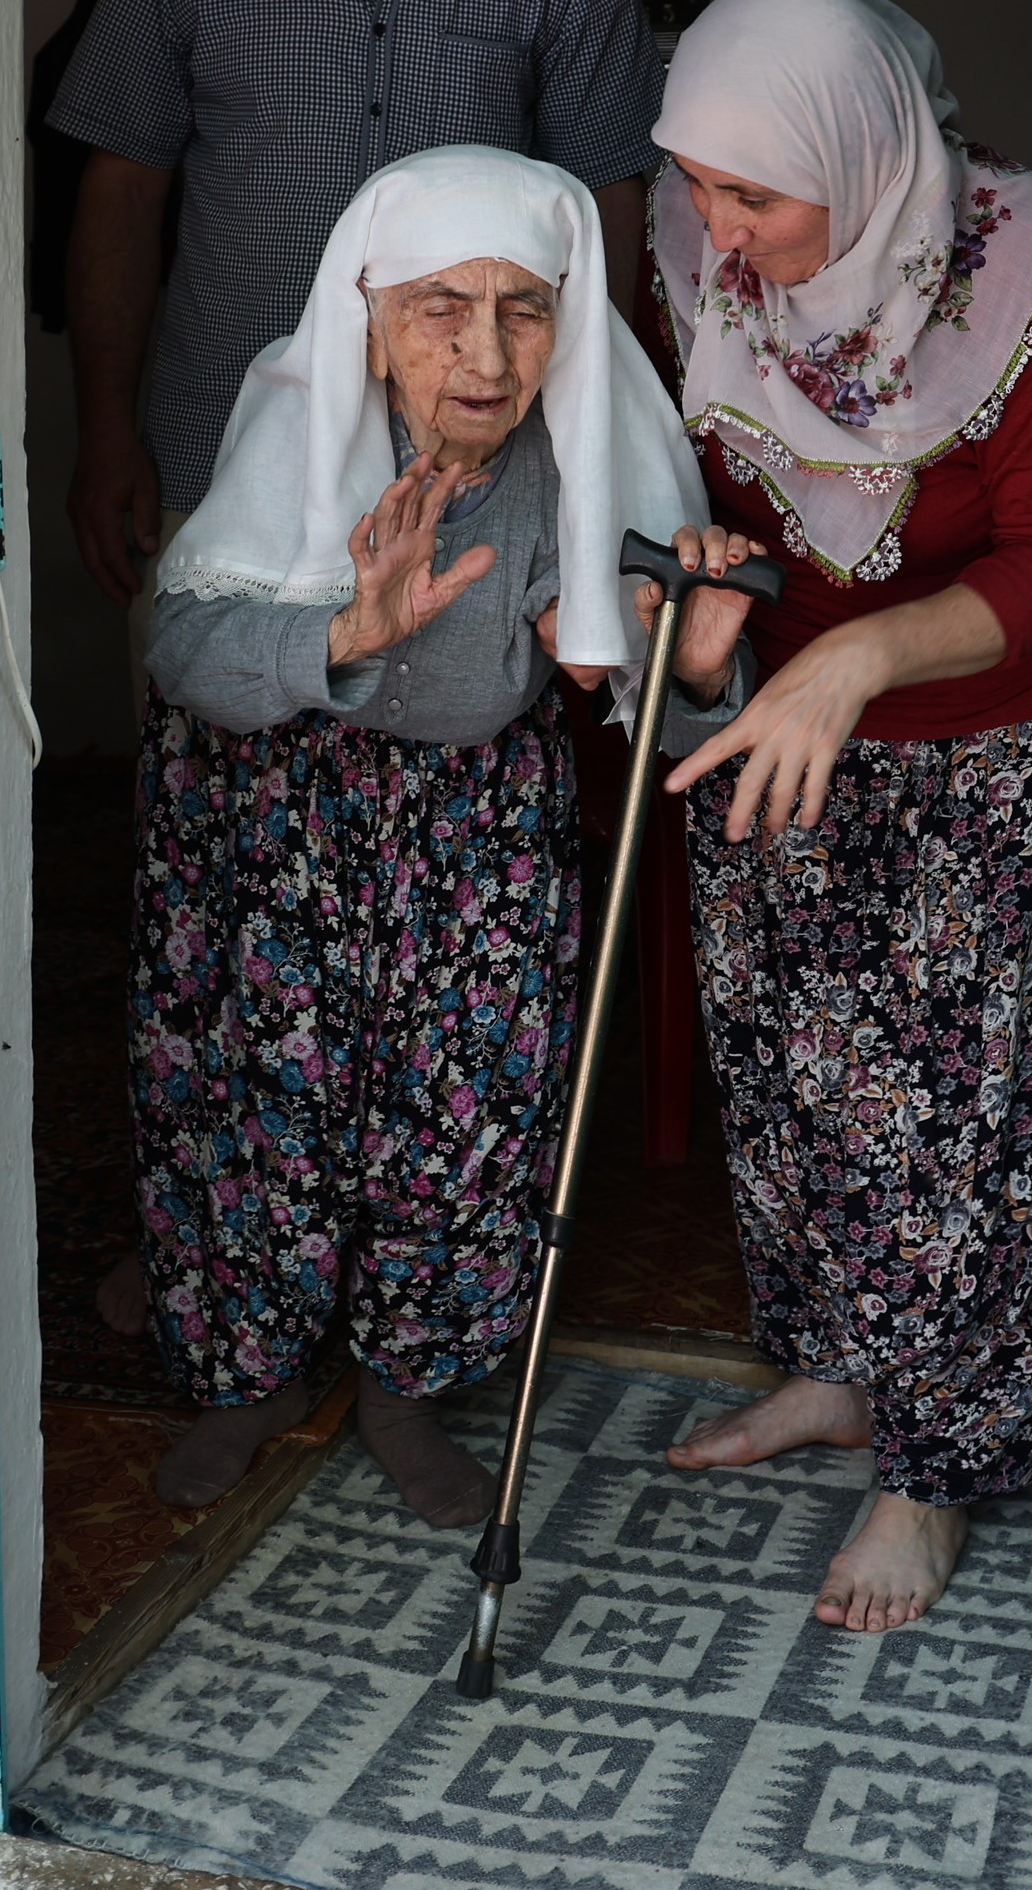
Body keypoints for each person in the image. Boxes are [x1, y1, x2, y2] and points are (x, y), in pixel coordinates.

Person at [47, 0, 662, 1338]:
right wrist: (103, 425)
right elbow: (121, 191)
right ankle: (224, 1268)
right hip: (232, 475)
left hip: (481, 514)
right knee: (234, 931)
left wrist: (626, 489)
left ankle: (416, 1308)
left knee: (454, 936)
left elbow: (610, 233)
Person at [635, 0, 1032, 1634]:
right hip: (799, 724)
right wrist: (698, 591)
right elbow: (692, 482)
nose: (717, 231)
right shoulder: (691, 249)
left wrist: (858, 655)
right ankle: (845, 1374)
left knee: (973, 1123)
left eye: (754, 194)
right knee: (798, 1081)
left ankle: (932, 1475)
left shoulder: (1023, 274)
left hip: (1013, 748)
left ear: (861, 160)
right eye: (700, 184)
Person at [133, 147, 737, 1521]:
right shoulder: (301, 416)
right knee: (256, 1114)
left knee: (465, 1117)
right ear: (371, 315)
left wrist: (691, 672)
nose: (484, 348)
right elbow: (182, 645)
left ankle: (409, 1387)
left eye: (523, 306)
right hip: (275, 814)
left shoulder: (582, 455)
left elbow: (674, 732)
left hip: (474, 824)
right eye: (439, 307)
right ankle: (251, 1376)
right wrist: (344, 630)